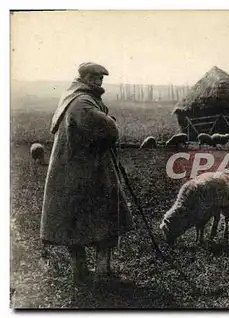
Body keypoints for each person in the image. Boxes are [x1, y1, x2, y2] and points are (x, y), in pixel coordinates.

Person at [40, 62, 133, 286]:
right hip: (88, 173)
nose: (99, 81)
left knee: (76, 221)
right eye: (94, 77)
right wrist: (112, 123)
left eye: (101, 77)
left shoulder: (74, 98)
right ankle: (102, 272)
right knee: (105, 215)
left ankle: (81, 271)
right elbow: (108, 130)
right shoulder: (82, 103)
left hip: (75, 171)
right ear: (83, 77)